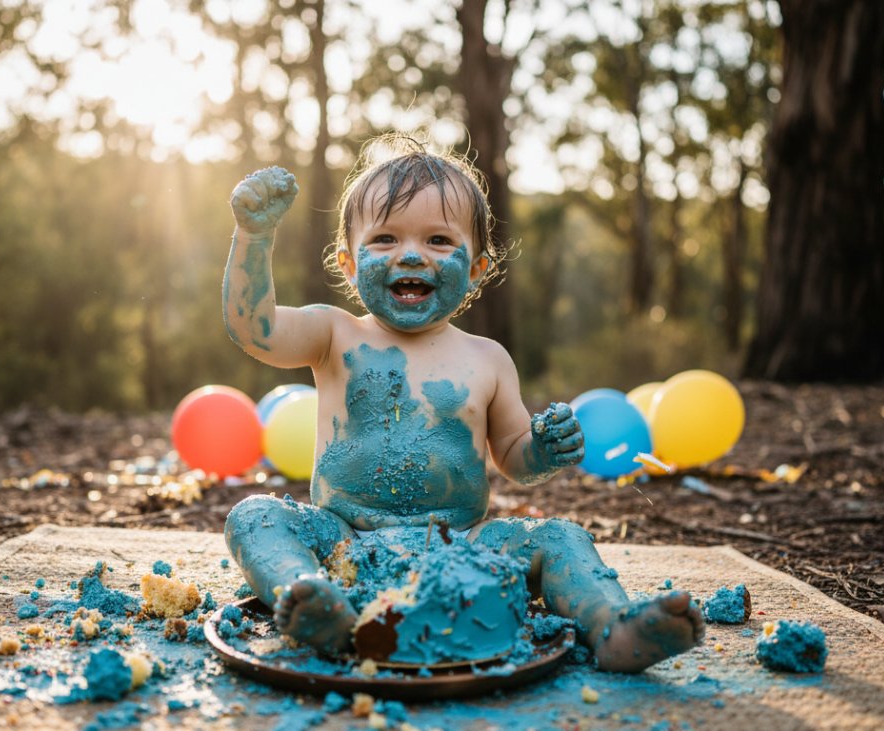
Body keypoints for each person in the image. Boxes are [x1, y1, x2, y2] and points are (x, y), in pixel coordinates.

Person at [221, 134, 703, 672]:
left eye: (437, 240)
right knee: (255, 515)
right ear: (348, 264)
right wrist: (254, 236)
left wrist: (543, 450)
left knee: (561, 537)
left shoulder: (488, 359)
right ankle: (310, 600)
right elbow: (254, 329)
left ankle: (613, 627)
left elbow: (514, 458)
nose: (410, 254)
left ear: (475, 269)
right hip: (343, 546)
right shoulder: (334, 335)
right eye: (383, 238)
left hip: (467, 550)